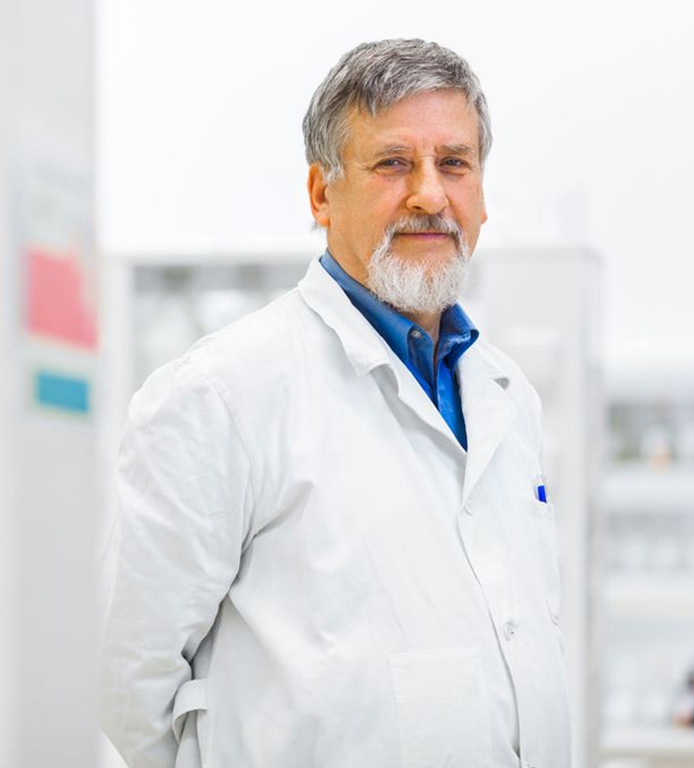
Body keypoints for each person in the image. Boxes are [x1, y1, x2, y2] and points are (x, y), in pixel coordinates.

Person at [100, 38, 570, 768]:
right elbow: (126, 680)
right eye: (393, 163)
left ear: (481, 192)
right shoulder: (221, 394)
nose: (430, 195)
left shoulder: (508, 396)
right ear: (322, 193)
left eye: (455, 163)